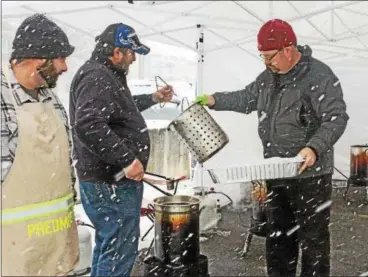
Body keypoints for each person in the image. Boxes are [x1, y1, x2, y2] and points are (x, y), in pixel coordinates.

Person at [195, 19, 349, 277]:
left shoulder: (319, 76)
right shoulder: (268, 77)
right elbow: (245, 98)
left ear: (288, 49)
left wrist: (313, 148)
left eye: (269, 56)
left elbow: (336, 118)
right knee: (278, 236)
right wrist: (214, 100)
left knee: (314, 242)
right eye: (262, 57)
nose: (265, 62)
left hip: (310, 176)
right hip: (277, 171)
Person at [69, 22, 174, 276]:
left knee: (111, 246)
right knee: (118, 249)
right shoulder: (97, 77)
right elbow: (88, 124)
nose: (133, 59)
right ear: (117, 52)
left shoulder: (106, 76)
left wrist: (154, 98)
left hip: (110, 181)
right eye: (131, 53)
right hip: (110, 182)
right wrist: (127, 160)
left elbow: (120, 108)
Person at [1, 14, 79, 276]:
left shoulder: (49, 95)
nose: (65, 67)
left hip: (56, 244)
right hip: (14, 252)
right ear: (37, 58)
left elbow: (65, 161)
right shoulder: (2, 99)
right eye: (60, 58)